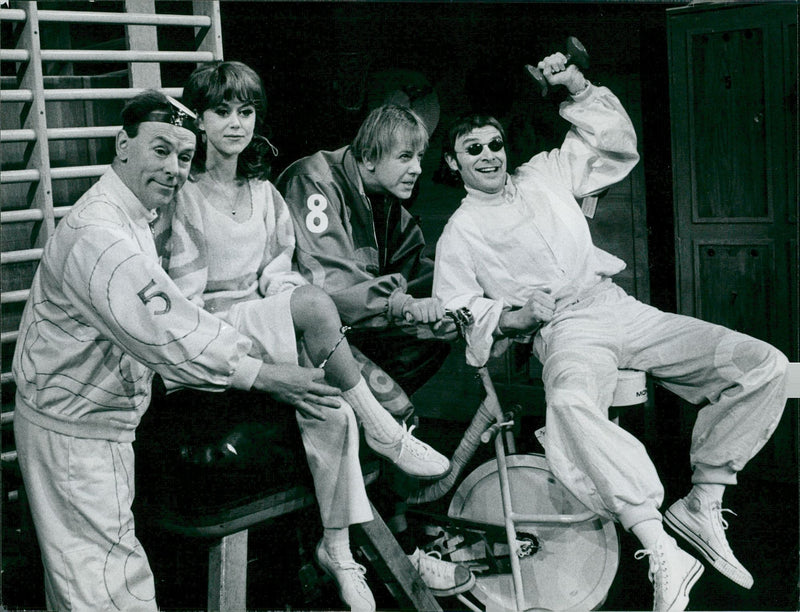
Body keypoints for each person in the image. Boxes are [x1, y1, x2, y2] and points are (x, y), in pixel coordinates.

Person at [433, 52, 789, 612]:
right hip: (566, 331)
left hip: (618, 308)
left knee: (762, 364)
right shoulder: (461, 229)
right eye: (472, 149)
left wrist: (574, 85)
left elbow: (615, 144)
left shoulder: (545, 172)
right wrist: (514, 317)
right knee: (571, 402)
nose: (488, 156)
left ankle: (704, 498)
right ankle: (660, 546)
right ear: (453, 164)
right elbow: (456, 304)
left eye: (494, 144)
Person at [10, 91, 349, 611]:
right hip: (75, 435)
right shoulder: (101, 234)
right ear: (123, 146)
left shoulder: (133, 216)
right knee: (110, 591)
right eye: (160, 150)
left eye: (184, 157)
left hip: (90, 423)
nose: (173, 169)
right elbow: (169, 331)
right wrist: (264, 372)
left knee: (84, 583)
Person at [166, 61, 451, 611]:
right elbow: (188, 301)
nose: (235, 124)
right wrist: (292, 313)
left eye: (245, 112)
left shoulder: (266, 194)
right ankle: (385, 430)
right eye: (221, 112)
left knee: (333, 411)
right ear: (198, 121)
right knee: (316, 306)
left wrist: (289, 312)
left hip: (265, 318)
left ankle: (338, 550)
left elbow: (280, 274)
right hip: (215, 327)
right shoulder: (186, 195)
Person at [276, 103, 475, 598]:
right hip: (294, 337)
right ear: (367, 156)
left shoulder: (389, 206)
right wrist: (406, 306)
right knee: (396, 410)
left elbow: (423, 272)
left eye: (420, 156)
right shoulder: (314, 180)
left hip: (352, 334)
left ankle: (393, 540)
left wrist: (458, 302)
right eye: (405, 156)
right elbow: (331, 280)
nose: (416, 167)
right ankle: (390, 549)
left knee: (435, 341)